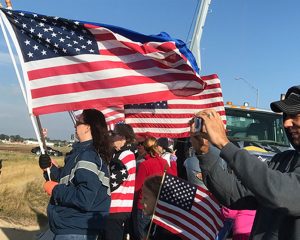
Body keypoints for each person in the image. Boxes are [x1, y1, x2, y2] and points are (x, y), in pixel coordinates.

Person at [190, 85, 300, 240]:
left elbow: (280, 193)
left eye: (295, 115)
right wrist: (204, 152)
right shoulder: (283, 159)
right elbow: (235, 195)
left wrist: (224, 144)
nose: (287, 123)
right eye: (285, 116)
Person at [38, 109, 111, 240]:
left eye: (78, 122)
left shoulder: (88, 155)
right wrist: (50, 169)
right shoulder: (81, 153)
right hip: (68, 226)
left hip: (75, 229)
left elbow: (84, 198)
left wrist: (55, 189)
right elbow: (67, 181)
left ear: (87, 128)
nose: (74, 125)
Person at [132, 137, 177, 240]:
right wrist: (173, 162)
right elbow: (173, 178)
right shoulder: (163, 162)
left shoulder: (144, 164)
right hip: (159, 206)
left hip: (145, 206)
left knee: (142, 236)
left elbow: (138, 188)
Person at [103, 123, 136, 240]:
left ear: (123, 138)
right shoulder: (119, 154)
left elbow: (114, 178)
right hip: (116, 208)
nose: (111, 137)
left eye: (113, 134)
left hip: (118, 208)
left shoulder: (126, 154)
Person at [141, 175, 182, 240]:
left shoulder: (168, 233)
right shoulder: (153, 225)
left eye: (145, 198)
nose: (141, 201)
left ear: (159, 201)